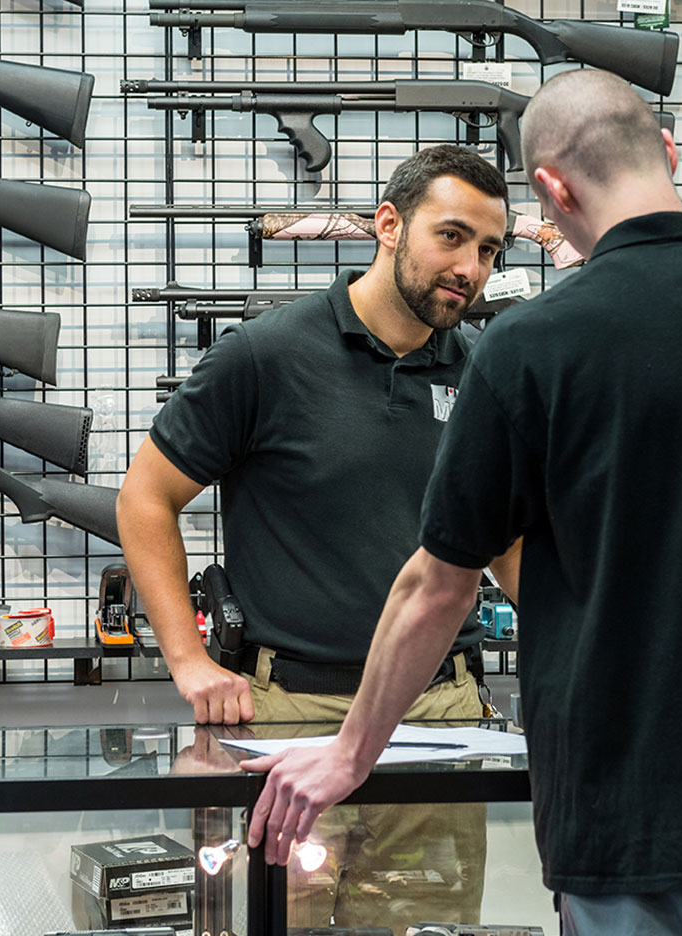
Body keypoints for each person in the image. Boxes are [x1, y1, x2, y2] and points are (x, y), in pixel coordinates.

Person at [242, 69, 682, 936]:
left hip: (635, 810)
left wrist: (348, 753)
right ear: (666, 152)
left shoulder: (530, 349)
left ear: (551, 190)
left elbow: (437, 586)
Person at [115, 143, 521, 932]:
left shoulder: (484, 376)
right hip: (288, 712)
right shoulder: (266, 354)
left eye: (489, 249)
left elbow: (502, 543)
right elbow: (145, 499)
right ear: (388, 225)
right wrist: (188, 662)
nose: (470, 268)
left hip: (438, 716)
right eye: (452, 237)